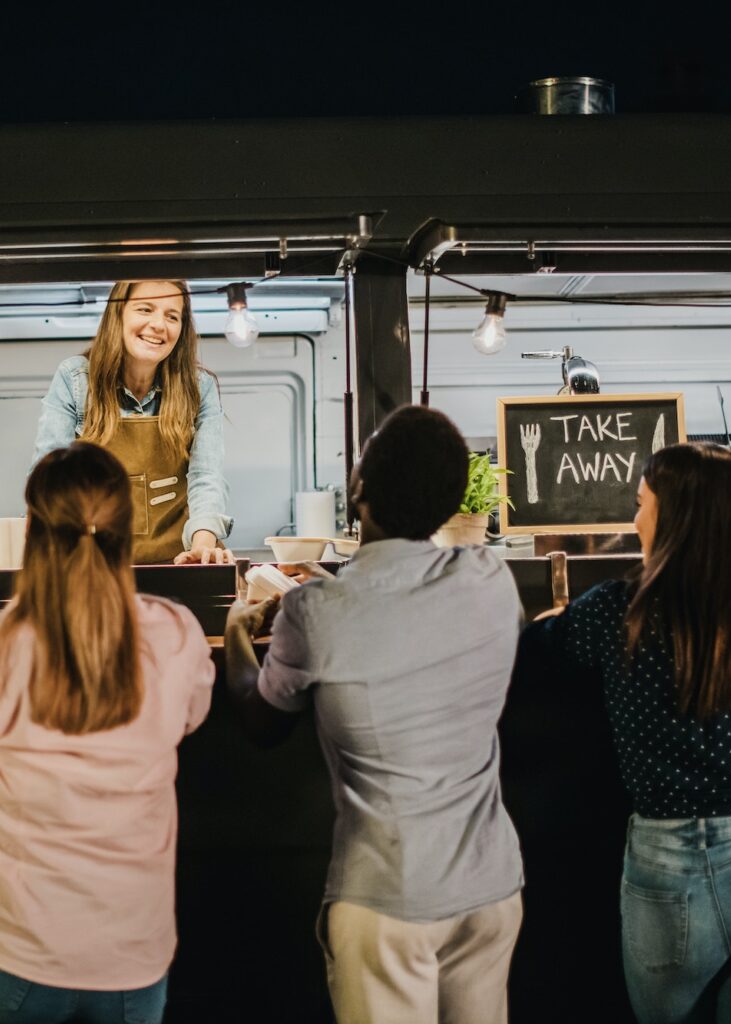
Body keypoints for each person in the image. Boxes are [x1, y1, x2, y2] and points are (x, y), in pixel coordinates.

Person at [223, 405, 526, 1024]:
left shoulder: (315, 611)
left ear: (358, 491)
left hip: (388, 897)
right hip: (490, 888)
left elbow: (261, 721)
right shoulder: (492, 580)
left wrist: (235, 633)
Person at [515, 443, 731, 1024]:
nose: (634, 519)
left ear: (672, 517)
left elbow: (529, 660)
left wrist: (551, 620)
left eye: (641, 504)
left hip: (666, 876)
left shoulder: (613, 612)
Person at [0, 442, 216, 1024]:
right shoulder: (176, 637)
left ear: (30, 529)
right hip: (131, 963)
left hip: (5, 952)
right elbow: (191, 714)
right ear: (129, 535)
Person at [0, 280, 232, 566]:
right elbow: (49, 477)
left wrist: (202, 548)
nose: (158, 324)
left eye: (172, 316)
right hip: (92, 571)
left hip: (177, 565)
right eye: (145, 309)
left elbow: (207, 477)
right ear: (118, 314)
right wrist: (22, 542)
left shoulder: (200, 387)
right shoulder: (75, 379)